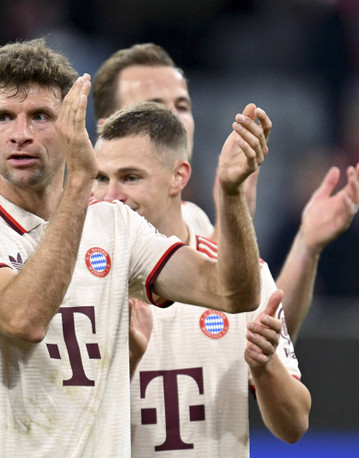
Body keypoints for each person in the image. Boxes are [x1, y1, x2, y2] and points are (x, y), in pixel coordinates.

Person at [0, 38, 267, 456]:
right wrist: (81, 181)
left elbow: (232, 292)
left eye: (40, 116)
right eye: (4, 118)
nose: (21, 134)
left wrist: (229, 195)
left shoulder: (115, 224)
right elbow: (22, 316)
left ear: (70, 126)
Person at [92, 42, 359, 341]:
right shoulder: (83, 236)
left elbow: (250, 330)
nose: (176, 120)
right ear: (108, 128)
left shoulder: (193, 220)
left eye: (182, 106)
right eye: (154, 107)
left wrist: (306, 246)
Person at [92, 101, 311, 455]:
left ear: (179, 177)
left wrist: (266, 365)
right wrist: (126, 360)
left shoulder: (244, 279)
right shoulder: (79, 282)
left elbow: (295, 425)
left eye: (131, 177)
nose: (112, 197)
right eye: (101, 178)